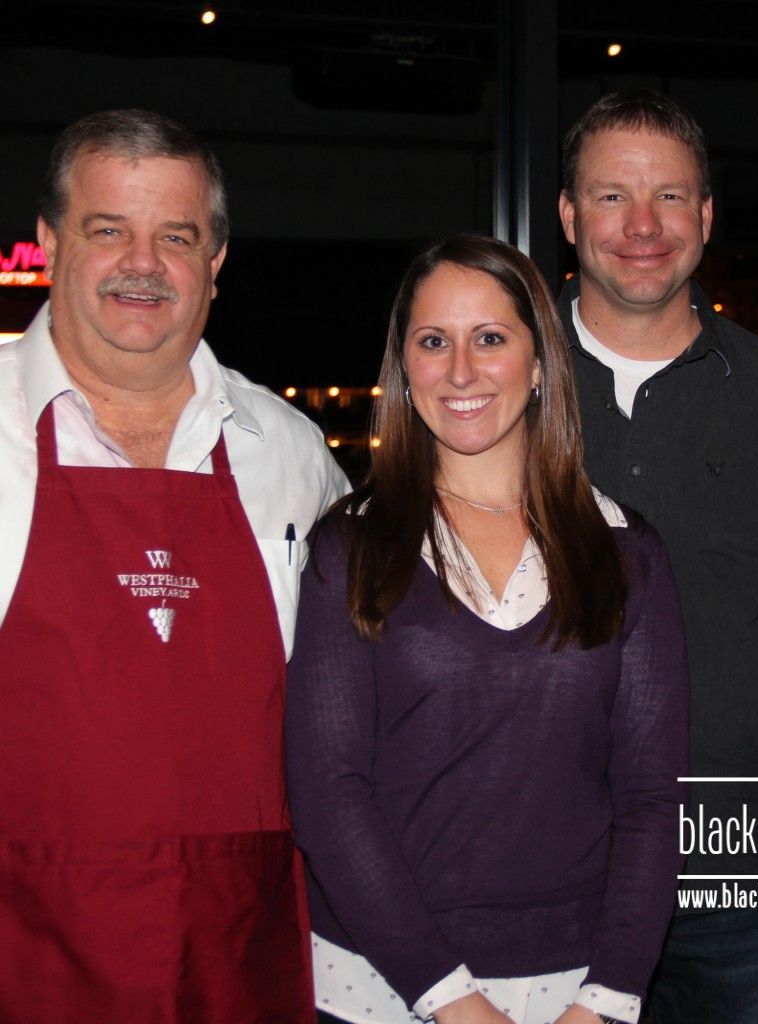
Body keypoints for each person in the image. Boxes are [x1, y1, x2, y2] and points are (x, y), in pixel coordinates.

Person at [286, 234, 688, 1024]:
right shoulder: (352, 545)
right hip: (379, 987)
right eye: (433, 342)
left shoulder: (626, 552)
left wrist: (608, 998)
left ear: (540, 365)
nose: (462, 371)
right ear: (405, 369)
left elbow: (653, 799)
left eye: (491, 339)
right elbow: (329, 794)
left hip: (576, 991)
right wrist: (452, 1000)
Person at [0, 109, 348, 1021]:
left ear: (217, 260)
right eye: (108, 229)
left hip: (244, 956)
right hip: (25, 958)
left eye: (176, 237)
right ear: (48, 241)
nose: (142, 265)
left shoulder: (293, 452)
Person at [556, 91, 758, 1024]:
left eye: (671, 197)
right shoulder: (502, 381)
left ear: (707, 219)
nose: (643, 225)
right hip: (548, 861)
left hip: (741, 871)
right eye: (611, 197)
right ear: (567, 216)